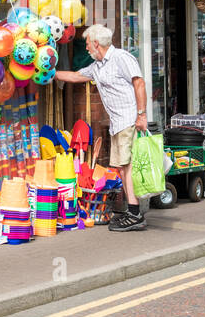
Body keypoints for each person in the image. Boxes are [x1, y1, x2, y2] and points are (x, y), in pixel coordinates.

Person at [55, 25, 151, 232]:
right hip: (117, 124)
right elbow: (75, 76)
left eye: (88, 43)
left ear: (96, 43)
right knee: (123, 168)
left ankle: (135, 213)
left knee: (128, 167)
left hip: (129, 120)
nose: (87, 47)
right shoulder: (97, 66)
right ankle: (132, 210)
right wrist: (50, 74)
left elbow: (140, 83)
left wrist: (142, 115)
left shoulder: (121, 58)